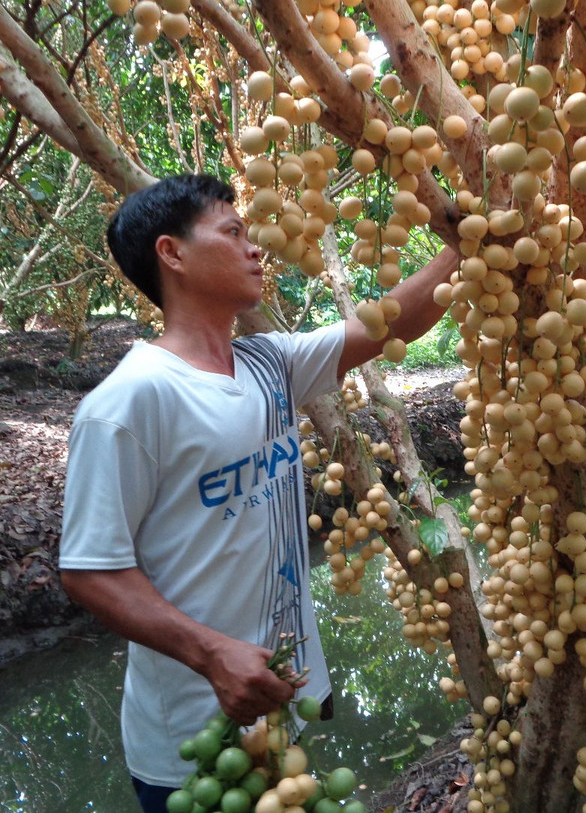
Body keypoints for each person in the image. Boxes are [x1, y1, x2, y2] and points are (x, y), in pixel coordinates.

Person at [59, 173, 458, 812]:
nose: (254, 248)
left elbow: (386, 324)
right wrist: (213, 654)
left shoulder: (269, 364)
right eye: (233, 231)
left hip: (274, 704)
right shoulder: (129, 402)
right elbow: (90, 571)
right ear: (172, 253)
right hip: (194, 738)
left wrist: (463, 246)